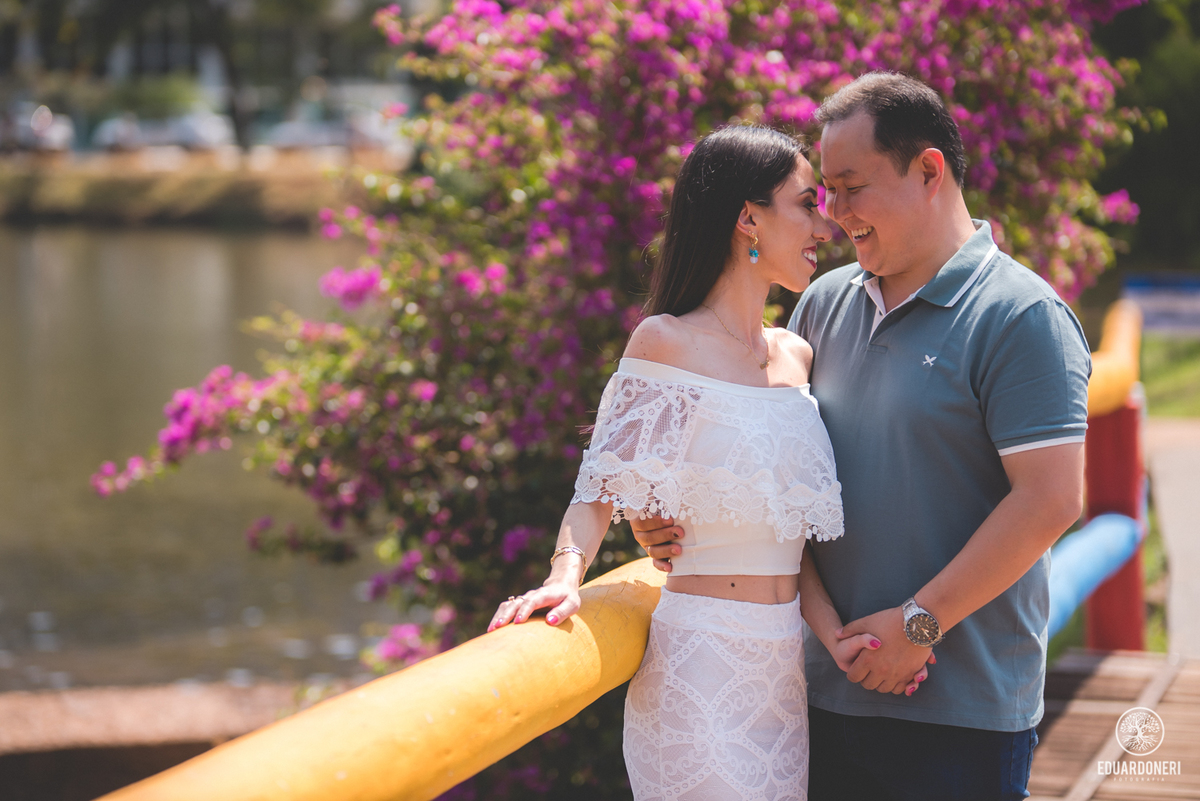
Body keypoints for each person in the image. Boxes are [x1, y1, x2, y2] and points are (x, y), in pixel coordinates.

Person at [634, 73, 1092, 801]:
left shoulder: (1022, 315)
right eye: (825, 194)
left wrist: (919, 624)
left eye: (851, 188)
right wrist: (661, 513)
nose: (836, 215)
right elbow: (776, 474)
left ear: (929, 172)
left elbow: (1051, 500)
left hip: (960, 714)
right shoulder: (820, 306)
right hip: (811, 698)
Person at [489, 124, 927, 801]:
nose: (826, 225)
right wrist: (564, 576)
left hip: (783, 680)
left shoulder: (798, 357)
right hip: (699, 674)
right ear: (748, 218)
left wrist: (833, 636)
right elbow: (599, 487)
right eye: (806, 204)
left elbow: (788, 543)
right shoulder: (665, 341)